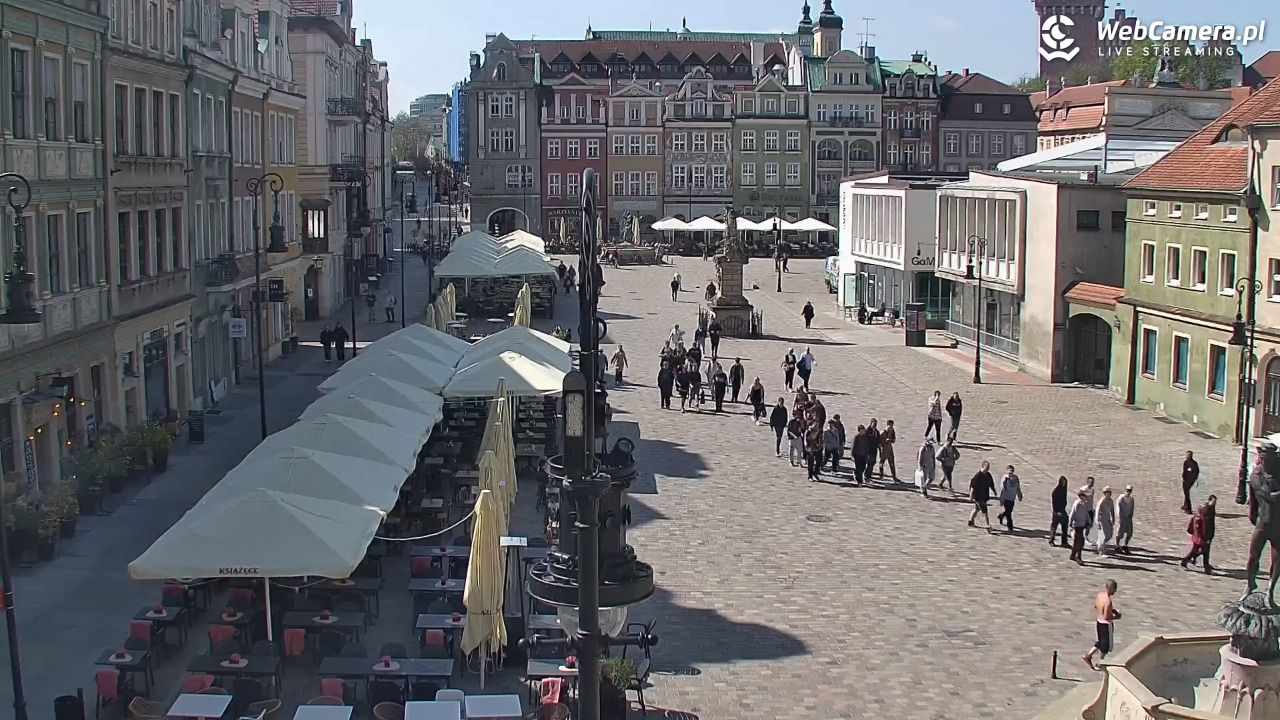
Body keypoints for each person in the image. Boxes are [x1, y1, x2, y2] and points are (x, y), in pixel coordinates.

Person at [1083, 580, 1122, 671]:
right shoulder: (1108, 601)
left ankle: (1088, 655)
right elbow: (1107, 617)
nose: (1115, 591)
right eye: (1115, 589)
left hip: (1099, 622)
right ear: (1112, 588)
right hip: (1106, 625)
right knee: (1106, 646)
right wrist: (1117, 617)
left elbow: (1096, 606)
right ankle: (1100, 663)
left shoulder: (1100, 595)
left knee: (1101, 641)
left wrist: (1112, 610)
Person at [1182, 495, 1217, 573]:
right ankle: (1206, 568)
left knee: (1195, 552)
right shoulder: (1200, 520)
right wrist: (1205, 539)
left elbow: (1211, 510)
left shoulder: (1205, 517)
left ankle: (1186, 560)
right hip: (1201, 539)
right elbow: (1200, 531)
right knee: (1205, 554)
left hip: (1200, 539)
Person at [968, 460, 996, 529]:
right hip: (978, 496)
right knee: (985, 511)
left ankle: (970, 520)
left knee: (977, 509)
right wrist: (971, 496)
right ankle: (987, 524)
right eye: (986, 468)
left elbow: (991, 484)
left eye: (988, 468)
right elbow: (972, 486)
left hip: (984, 495)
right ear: (983, 467)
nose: (987, 470)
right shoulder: (978, 476)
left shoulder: (988, 475)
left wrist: (994, 491)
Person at [996, 465, 1024, 533]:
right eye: (1009, 471)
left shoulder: (1015, 478)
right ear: (1007, 471)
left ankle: (1001, 515)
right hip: (1006, 498)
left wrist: (1019, 495)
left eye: (1012, 471)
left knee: (1009, 511)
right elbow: (1002, 489)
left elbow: (1018, 487)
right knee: (1009, 514)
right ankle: (1010, 526)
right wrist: (1001, 499)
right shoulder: (1005, 478)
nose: (1010, 472)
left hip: (1012, 498)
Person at [1069, 490, 1092, 565]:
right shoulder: (1077, 504)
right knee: (1079, 542)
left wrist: (1089, 521)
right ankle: (1078, 557)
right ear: (1081, 496)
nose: (1086, 497)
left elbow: (1086, 514)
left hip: (1082, 525)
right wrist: (1070, 524)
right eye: (1085, 496)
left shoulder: (1085, 504)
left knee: (1078, 542)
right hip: (1077, 525)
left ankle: (1073, 555)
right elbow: (1073, 513)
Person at [1050, 476, 1070, 547]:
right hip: (1057, 512)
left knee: (1065, 526)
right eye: (1063, 482)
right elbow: (1054, 502)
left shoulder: (1064, 490)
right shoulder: (1056, 491)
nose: (1064, 484)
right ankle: (1051, 540)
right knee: (1054, 526)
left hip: (1063, 511)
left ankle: (1064, 542)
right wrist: (1056, 511)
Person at [1116, 485, 1136, 555]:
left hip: (1128, 518)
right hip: (1122, 518)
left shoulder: (1131, 498)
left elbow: (1132, 506)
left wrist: (1131, 514)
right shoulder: (1121, 498)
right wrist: (1119, 517)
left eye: (1130, 490)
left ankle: (1125, 545)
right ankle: (1117, 545)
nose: (1128, 492)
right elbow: (1118, 507)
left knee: (1129, 533)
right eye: (1127, 490)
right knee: (1120, 533)